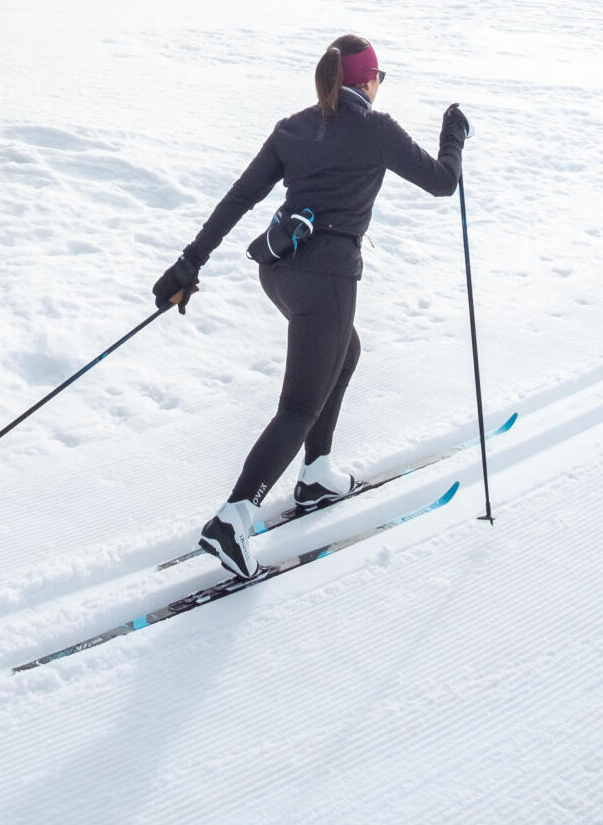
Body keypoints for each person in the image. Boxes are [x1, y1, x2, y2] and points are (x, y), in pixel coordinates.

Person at [152, 34, 469, 579]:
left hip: (278, 273)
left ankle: (317, 473)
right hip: (326, 282)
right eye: (379, 78)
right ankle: (234, 517)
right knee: (299, 405)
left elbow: (239, 198)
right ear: (367, 81)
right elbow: (443, 184)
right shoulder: (376, 130)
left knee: (345, 354)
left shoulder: (293, 127)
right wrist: (453, 136)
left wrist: (189, 264)